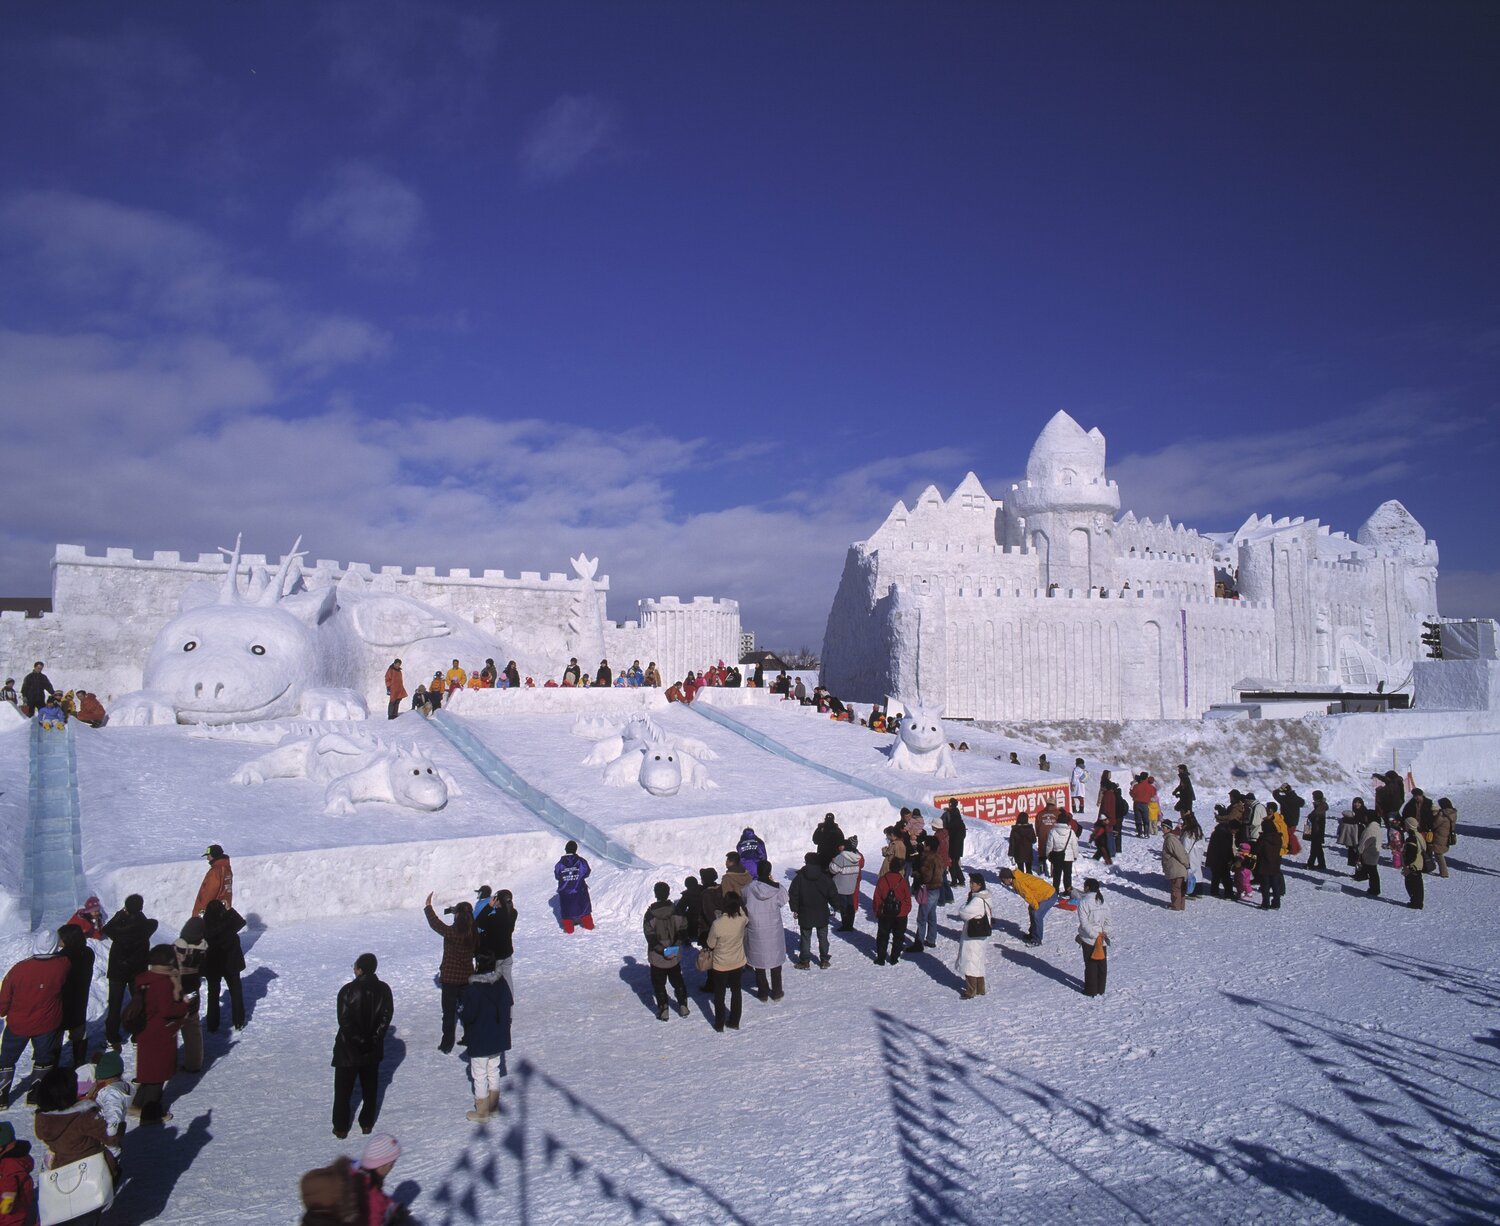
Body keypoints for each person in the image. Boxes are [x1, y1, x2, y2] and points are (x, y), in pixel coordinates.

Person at [0, 933, 67, 1110]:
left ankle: (2, 1096)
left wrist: (3, 1010)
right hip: (47, 1024)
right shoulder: (61, 966)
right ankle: (36, 1095)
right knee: (44, 1058)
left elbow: (5, 996)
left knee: (6, 1059)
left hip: (18, 1024)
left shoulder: (18, 969)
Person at [332, 952, 394, 1139]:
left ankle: (341, 1127)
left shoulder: (347, 990)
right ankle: (366, 1123)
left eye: (355, 965)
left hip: (348, 1049)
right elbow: (386, 1017)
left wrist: (359, 1040)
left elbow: (344, 1021)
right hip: (372, 1050)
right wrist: (374, 1039)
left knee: (343, 1091)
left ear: (359, 969)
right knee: (370, 1087)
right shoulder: (384, 989)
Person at [131, 943, 190, 1124]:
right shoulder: (163, 983)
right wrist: (184, 1004)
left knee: (148, 1069)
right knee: (158, 1073)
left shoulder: (144, 978)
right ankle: (151, 1112)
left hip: (145, 1029)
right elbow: (167, 1009)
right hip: (160, 1031)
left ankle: (138, 1104)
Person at [32, 1067, 113, 1187]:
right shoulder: (84, 1116)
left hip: (60, 1170)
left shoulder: (43, 1120)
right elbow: (110, 1137)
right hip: (90, 1170)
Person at [459, 951, 512, 1121]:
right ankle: (494, 1106)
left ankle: (482, 1111)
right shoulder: (502, 983)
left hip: (480, 1037)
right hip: (497, 1037)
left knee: (479, 1074)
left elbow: (468, 1015)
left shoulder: (473, 989)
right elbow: (508, 1004)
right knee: (493, 1070)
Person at [422, 894, 474, 1053]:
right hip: (466, 977)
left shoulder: (452, 932)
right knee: (467, 1010)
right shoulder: (473, 932)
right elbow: (469, 918)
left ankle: (447, 1043)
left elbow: (435, 924)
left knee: (448, 1013)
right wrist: (458, 911)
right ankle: (470, 1037)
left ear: (458, 916)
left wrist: (428, 907)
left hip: (450, 979)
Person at [643, 883, 690, 1020]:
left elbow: (649, 936)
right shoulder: (676, 910)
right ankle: (683, 1005)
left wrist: (662, 950)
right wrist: (674, 946)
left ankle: (663, 1008)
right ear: (668, 893)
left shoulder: (650, 914)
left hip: (657, 956)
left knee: (659, 984)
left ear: (655, 894)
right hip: (674, 953)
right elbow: (683, 929)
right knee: (677, 980)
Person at [703, 892, 749, 1032]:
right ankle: (734, 1021)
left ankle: (719, 1023)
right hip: (737, 961)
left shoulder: (717, 924)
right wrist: (739, 904)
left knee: (719, 993)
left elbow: (710, 944)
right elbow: (745, 916)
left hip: (720, 963)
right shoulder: (741, 920)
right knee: (736, 991)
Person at [743, 861, 787, 1002]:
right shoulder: (777, 888)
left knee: (759, 962)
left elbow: (742, 898)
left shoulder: (748, 888)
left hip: (755, 928)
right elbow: (784, 899)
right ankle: (777, 991)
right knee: (775, 962)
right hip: (773, 929)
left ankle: (762, 992)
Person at [202, 899, 247, 1032]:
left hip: (213, 964)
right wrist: (229, 909)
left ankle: (212, 1024)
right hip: (231, 964)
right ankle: (239, 1021)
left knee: (213, 994)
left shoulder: (206, 925)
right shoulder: (229, 923)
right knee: (236, 993)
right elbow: (241, 922)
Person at [788, 852, 839, 969]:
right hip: (822, 912)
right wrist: (835, 905)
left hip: (805, 912)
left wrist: (795, 909)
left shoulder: (799, 877)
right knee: (823, 937)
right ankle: (824, 960)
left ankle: (805, 961)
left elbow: (793, 894)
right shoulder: (825, 877)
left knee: (805, 937)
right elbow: (832, 893)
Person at [173, 917, 209, 1074]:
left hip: (174, 992)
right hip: (193, 991)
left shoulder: (175, 949)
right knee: (192, 1027)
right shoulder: (203, 951)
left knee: (170, 1027)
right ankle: (194, 1063)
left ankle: (167, 1062)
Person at [57, 923, 95, 1068]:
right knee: (79, 1031)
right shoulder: (88, 953)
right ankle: (79, 1062)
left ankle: (52, 1065)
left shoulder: (61, 958)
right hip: (80, 998)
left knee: (57, 1033)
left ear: (67, 939)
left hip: (63, 1001)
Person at [355, 1133, 409, 1225]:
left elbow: (380, 1198)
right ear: (381, 1165)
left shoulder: (357, 1175)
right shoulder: (371, 1196)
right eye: (391, 1164)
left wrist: (391, 1207)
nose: (391, 1168)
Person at [954, 872, 992, 999]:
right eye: (970, 883)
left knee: (970, 962)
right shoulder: (986, 897)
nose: (971, 885)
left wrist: (966, 903)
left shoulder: (977, 900)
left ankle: (971, 990)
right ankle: (980, 988)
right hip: (981, 935)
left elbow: (964, 912)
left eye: (973, 883)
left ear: (980, 884)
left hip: (973, 935)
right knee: (978, 962)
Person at [474, 889, 517, 997]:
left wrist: (489, 906)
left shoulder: (494, 918)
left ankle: (496, 1008)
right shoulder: (513, 913)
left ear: (500, 901)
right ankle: (508, 1006)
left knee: (494, 984)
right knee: (507, 981)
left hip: (496, 956)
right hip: (507, 953)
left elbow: (478, 922)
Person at [1001, 867, 1056, 946]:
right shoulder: (1017, 875)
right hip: (1045, 893)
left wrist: (1036, 907)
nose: (1003, 883)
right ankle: (1033, 934)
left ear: (1008, 878)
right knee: (1032, 911)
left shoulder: (1017, 883)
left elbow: (1027, 895)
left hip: (1049, 895)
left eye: (1003, 880)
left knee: (1037, 914)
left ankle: (1037, 940)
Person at [871, 863, 911, 966]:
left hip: (884, 913)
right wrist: (905, 911)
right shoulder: (902, 881)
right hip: (900, 914)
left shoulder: (882, 880)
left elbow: (877, 897)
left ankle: (881, 958)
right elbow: (907, 898)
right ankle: (894, 958)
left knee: (883, 936)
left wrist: (877, 911)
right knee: (898, 936)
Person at [1077, 878, 1111, 997]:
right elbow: (1108, 920)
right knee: (1102, 964)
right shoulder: (1102, 901)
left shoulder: (1084, 902)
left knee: (1091, 965)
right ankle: (1101, 989)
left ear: (1087, 888)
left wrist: (1094, 936)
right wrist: (1104, 934)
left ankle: (1091, 990)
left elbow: (1084, 923)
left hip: (1089, 939)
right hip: (1102, 938)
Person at [911, 834, 945, 953]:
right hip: (936, 889)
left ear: (929, 846)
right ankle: (931, 939)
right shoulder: (938, 857)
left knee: (922, 917)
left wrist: (916, 874)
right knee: (932, 916)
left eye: (925, 844)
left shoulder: (927, 858)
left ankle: (918, 943)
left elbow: (926, 876)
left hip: (928, 889)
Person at [0, 1120, 37, 1226]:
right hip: (16, 1199)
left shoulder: (10, 1162)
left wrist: (8, 1198)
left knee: (12, 1220)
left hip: (13, 1204)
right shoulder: (12, 1156)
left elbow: (10, 1181)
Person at [554, 842, 594, 933]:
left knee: (566, 912)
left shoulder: (559, 864)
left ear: (565, 849)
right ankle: (590, 928)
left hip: (565, 892)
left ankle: (569, 931)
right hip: (579, 890)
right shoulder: (581, 861)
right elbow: (586, 872)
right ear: (575, 850)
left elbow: (557, 876)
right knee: (584, 909)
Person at [830, 837, 864, 932]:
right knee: (850, 905)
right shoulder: (856, 856)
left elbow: (833, 869)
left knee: (843, 906)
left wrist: (832, 862)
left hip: (841, 885)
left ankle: (845, 925)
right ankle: (850, 924)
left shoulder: (841, 857)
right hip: (852, 884)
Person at [192, 843, 233, 916]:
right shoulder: (226, 868)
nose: (207, 858)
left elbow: (210, 891)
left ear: (214, 855)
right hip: (223, 909)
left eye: (208, 855)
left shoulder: (215, 871)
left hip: (212, 912)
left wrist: (201, 910)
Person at [1160, 818, 1190, 910]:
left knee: (1176, 888)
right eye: (1162, 827)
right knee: (1179, 888)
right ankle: (1180, 905)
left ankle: (1176, 906)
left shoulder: (1170, 839)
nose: (1162, 829)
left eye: (1164, 827)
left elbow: (1180, 853)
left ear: (1169, 828)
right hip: (1176, 868)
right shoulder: (1169, 839)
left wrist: (1186, 864)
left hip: (1176, 868)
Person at [1047, 812, 1078, 894]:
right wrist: (1075, 855)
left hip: (1057, 856)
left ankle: (1055, 891)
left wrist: (1048, 855)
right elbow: (1074, 845)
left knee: (1056, 875)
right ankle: (1068, 891)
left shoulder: (1053, 831)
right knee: (1067, 875)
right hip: (1068, 857)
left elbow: (1049, 845)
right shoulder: (1071, 832)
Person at [1401, 816, 1426, 910]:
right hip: (1419, 863)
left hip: (1413, 865)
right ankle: (1418, 902)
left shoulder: (1411, 839)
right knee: (1418, 884)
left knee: (1412, 885)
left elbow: (1411, 854)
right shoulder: (1419, 835)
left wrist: (1406, 865)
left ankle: (1415, 902)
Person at [1357, 809, 1383, 897]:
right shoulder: (1376, 827)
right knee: (1373, 871)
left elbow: (1364, 842)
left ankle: (1374, 889)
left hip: (1369, 853)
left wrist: (1359, 851)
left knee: (1372, 872)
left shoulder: (1370, 829)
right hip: (1375, 852)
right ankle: (1374, 888)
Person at [942, 799, 967, 885]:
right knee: (955, 861)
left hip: (953, 843)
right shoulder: (959, 820)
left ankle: (954, 881)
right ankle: (961, 879)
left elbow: (947, 828)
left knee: (952, 862)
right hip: (959, 844)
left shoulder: (950, 818)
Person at [1430, 799, 1456, 878]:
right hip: (1446, 835)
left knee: (1438, 854)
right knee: (1439, 853)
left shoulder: (1442, 814)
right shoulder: (1453, 813)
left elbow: (1434, 824)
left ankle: (1444, 872)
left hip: (1439, 836)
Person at [1305, 791, 1329, 871]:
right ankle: (1322, 864)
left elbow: (1314, 815)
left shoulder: (1321, 806)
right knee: (1318, 848)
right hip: (1317, 829)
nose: (1312, 797)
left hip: (1317, 830)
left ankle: (1310, 864)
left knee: (1314, 848)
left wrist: (1310, 816)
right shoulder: (1320, 805)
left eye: (1313, 796)